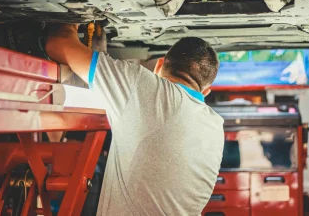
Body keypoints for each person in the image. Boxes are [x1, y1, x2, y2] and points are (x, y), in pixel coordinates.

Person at [45, 24, 224, 216]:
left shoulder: (146, 88)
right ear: (205, 92)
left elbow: (59, 43)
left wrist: (73, 20)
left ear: (159, 65)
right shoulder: (216, 128)